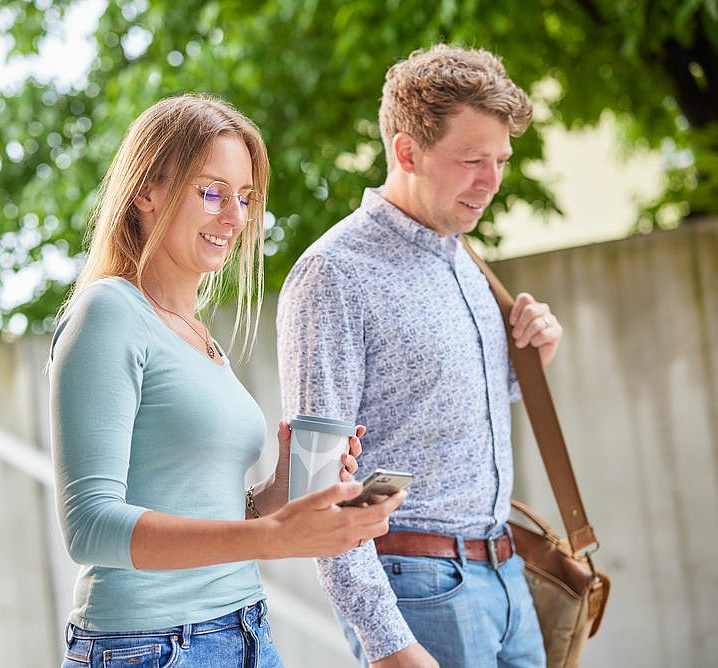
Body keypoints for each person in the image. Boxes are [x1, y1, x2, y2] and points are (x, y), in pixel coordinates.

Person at [49, 93, 406, 668]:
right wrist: (275, 537)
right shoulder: (108, 312)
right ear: (146, 191)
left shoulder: (197, 335)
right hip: (149, 647)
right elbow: (89, 527)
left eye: (245, 198)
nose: (236, 219)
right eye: (211, 192)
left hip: (244, 630)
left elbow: (205, 511)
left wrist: (277, 492)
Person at [276, 44, 563, 667]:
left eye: (501, 160)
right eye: (471, 160)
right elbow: (319, 486)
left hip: (508, 576)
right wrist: (389, 645)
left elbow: (434, 413)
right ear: (407, 151)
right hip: (420, 591)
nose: (490, 180)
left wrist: (528, 365)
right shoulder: (332, 274)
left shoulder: (462, 256)